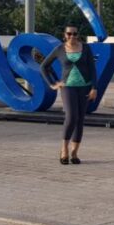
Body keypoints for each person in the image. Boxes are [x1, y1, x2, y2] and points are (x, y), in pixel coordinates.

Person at [40, 25, 98, 165]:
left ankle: (74, 153)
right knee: (72, 117)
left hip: (84, 88)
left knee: (80, 120)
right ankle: (64, 149)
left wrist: (94, 88)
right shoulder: (59, 49)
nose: (72, 36)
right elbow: (43, 67)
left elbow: (92, 69)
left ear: (78, 35)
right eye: (69, 34)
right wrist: (52, 84)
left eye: (75, 34)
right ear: (64, 35)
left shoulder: (85, 48)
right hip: (68, 87)